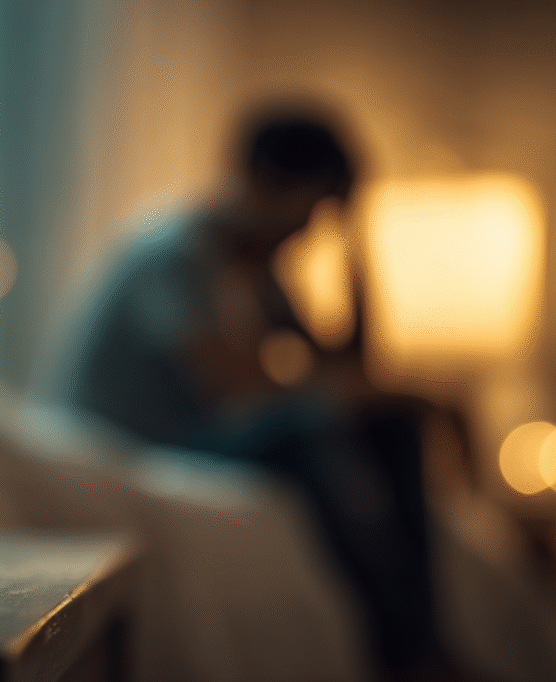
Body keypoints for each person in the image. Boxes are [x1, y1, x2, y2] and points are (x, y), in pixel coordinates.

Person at [46, 101, 452, 680]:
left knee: (395, 424)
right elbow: (236, 394)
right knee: (300, 433)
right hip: (129, 449)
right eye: (310, 210)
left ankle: (423, 644)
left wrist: (358, 251)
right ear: (263, 181)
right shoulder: (174, 253)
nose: (310, 231)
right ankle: (398, 648)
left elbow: (348, 369)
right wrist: (343, 396)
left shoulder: (258, 270)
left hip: (200, 438)